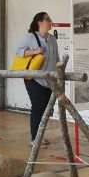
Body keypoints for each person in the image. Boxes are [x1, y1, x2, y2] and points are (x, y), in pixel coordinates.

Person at [15, 11, 59, 146]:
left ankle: (40, 136)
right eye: (47, 19)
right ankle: (35, 139)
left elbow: (56, 58)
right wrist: (35, 51)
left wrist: (58, 73)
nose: (50, 21)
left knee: (45, 109)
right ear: (40, 22)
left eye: (50, 19)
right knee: (37, 107)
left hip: (49, 80)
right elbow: (18, 51)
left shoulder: (52, 39)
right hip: (34, 79)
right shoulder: (30, 37)